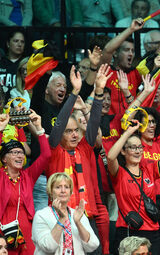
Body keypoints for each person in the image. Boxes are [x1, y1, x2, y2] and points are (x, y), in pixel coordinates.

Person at [46, 65, 110, 254]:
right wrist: (73, 92)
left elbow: (94, 122)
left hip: (87, 220)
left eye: (76, 130)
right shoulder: (54, 149)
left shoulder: (85, 148)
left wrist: (98, 92)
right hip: (61, 219)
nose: (74, 135)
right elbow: (59, 123)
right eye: (68, 131)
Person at [107, 113, 160, 255]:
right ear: (123, 151)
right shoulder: (119, 173)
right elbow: (110, 156)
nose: (137, 151)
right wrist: (129, 131)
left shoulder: (150, 170)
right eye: (132, 147)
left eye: (140, 147)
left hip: (151, 232)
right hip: (128, 232)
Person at [0, 110, 50, 255]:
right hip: (3, 230)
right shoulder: (1, 176)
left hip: (27, 229)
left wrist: (39, 129)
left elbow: (46, 155)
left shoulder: (28, 176)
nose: (20, 155)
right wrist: (1, 130)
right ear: (4, 159)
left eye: (21, 153)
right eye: (15, 152)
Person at [32, 172, 100, 254]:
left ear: (71, 192)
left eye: (66, 187)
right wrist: (61, 219)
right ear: (50, 192)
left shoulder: (77, 214)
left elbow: (93, 245)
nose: (63, 191)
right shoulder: (41, 215)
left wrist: (78, 223)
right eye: (58, 187)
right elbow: (48, 246)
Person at [0, 31, 25, 101]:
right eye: (16, 41)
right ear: (8, 44)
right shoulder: (1, 63)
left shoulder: (27, 65)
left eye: (22, 42)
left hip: (21, 106)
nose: (19, 44)